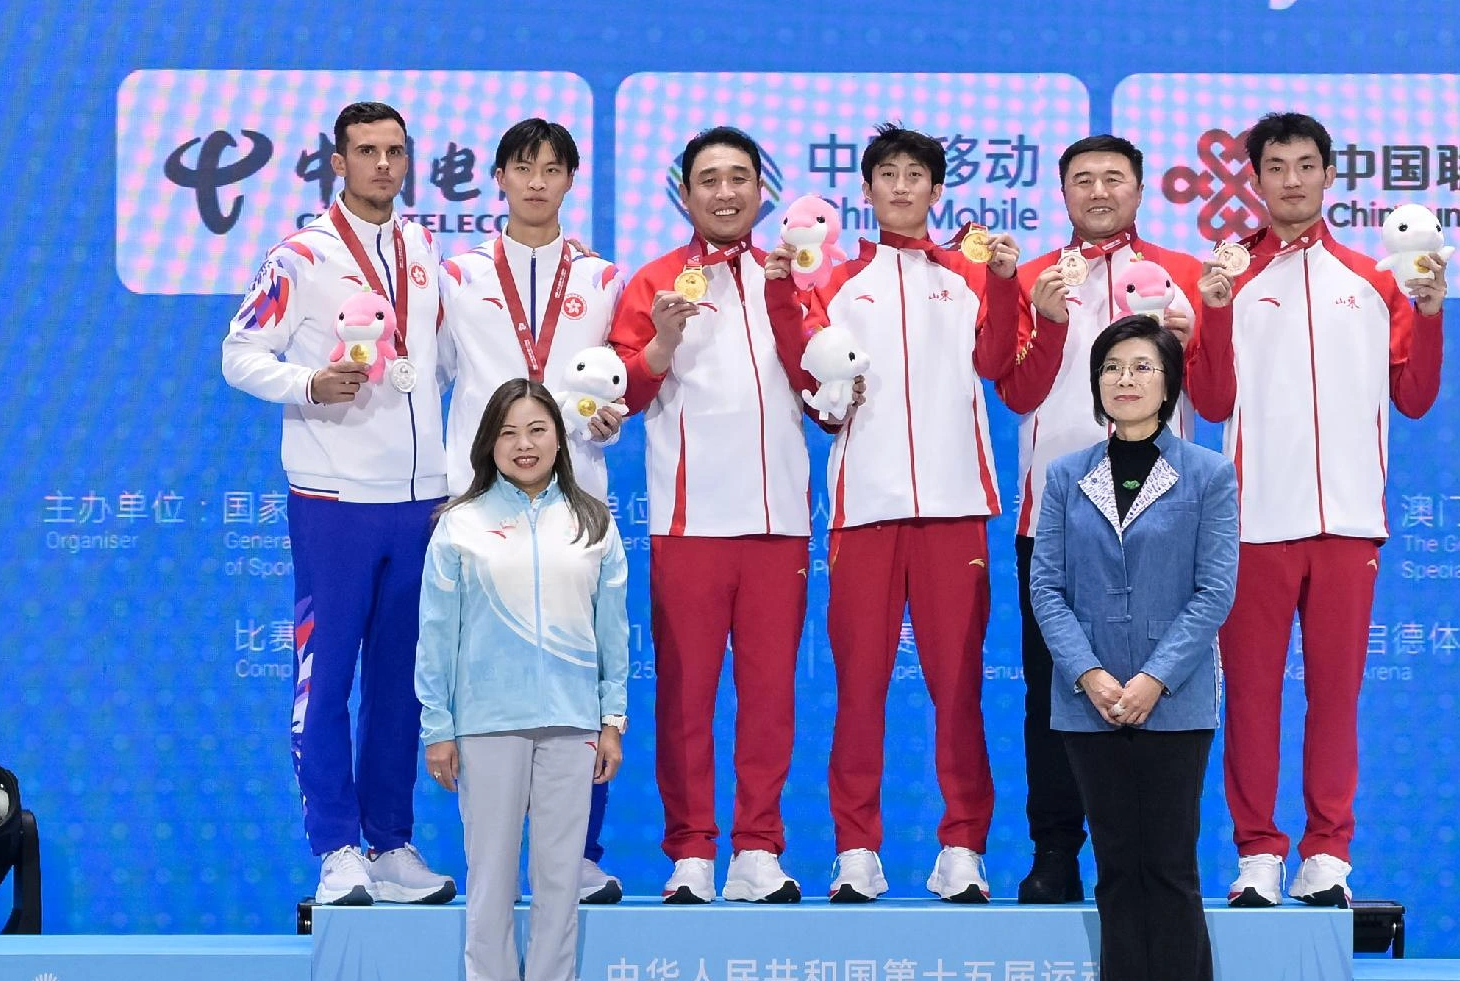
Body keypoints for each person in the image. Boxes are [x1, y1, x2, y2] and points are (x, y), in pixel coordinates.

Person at [1184, 110, 1443, 910]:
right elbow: (1210, 398)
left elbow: (1416, 397)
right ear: (1254, 180)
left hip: (1348, 527)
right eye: (1275, 166)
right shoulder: (1228, 276)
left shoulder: (1375, 280)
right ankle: (1258, 851)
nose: (1291, 179)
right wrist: (1216, 308)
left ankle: (1328, 852)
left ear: (1330, 176)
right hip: (1253, 525)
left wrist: (1430, 315)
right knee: (1252, 696)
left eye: (1306, 164)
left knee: (1335, 695)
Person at [220, 100, 457, 911]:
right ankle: (336, 846)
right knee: (328, 681)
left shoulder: (424, 248)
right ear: (338, 161)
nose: (383, 165)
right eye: (367, 151)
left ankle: (390, 842)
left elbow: (438, 359)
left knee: (401, 685)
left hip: (421, 500)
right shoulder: (301, 256)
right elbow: (239, 352)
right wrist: (308, 383)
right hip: (336, 498)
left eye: (395, 151)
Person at [806, 128, 1030, 903]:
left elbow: (1002, 363)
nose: (902, 187)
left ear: (937, 190)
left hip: (954, 507)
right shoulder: (834, 282)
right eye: (887, 175)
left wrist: (1003, 282)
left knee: (959, 686)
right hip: (863, 510)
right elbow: (819, 396)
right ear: (864, 190)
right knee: (859, 687)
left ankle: (962, 846)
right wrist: (832, 402)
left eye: (916, 175)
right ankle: (856, 847)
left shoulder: (966, 275)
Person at [608, 125, 818, 903]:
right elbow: (621, 394)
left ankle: (758, 847)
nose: (725, 192)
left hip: (778, 523)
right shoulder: (655, 282)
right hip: (688, 522)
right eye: (708, 179)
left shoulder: (797, 278)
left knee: (770, 694)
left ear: (762, 189)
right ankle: (691, 849)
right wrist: (661, 341)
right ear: (686, 193)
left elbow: (827, 392)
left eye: (739, 177)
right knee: (686, 693)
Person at [993, 134, 1203, 903]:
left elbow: (1210, 394)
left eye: (1114, 177)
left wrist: (1192, 335)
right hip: (1056, 519)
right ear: (1064, 193)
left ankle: (1157, 858)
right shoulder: (1034, 279)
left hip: (1163, 520)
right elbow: (1013, 392)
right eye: (1083, 179)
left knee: (1163, 683)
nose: (1099, 190)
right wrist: (1044, 321)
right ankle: (1056, 852)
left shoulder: (1182, 280)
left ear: (1141, 188)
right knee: (1055, 691)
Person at [1029, 317, 1238, 981]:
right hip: (1088, 703)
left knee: (1170, 865)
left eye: (1142, 366)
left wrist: (1154, 677)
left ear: (1170, 382)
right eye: (1112, 367)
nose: (1126, 379)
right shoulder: (1063, 475)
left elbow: (1214, 590)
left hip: (1173, 702)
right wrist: (1090, 675)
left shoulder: (1208, 474)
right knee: (1116, 866)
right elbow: (1046, 588)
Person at [434, 115, 627, 904]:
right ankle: (488, 859)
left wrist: (614, 418)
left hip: (577, 498)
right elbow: (435, 371)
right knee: (478, 673)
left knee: (582, 673)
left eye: (553, 167)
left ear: (572, 180)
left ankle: (578, 853)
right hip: (477, 504)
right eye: (524, 166)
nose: (538, 181)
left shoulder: (606, 279)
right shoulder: (454, 275)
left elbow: (618, 384)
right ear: (501, 178)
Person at [417, 378, 630, 981]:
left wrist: (612, 717)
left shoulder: (592, 522)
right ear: (490, 444)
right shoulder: (462, 522)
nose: (524, 444)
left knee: (559, 878)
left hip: (571, 723)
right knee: (491, 877)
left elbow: (613, 632)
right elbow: (436, 633)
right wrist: (438, 725)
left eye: (537, 429)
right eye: (509, 432)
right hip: (487, 723)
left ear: (559, 439)